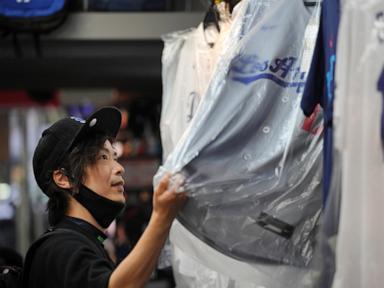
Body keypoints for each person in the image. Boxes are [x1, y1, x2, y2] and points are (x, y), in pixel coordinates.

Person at [24, 106, 187, 288]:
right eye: (102, 157)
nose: (119, 168)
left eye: (114, 156)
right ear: (63, 178)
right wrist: (162, 218)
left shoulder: (86, 241)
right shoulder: (59, 248)